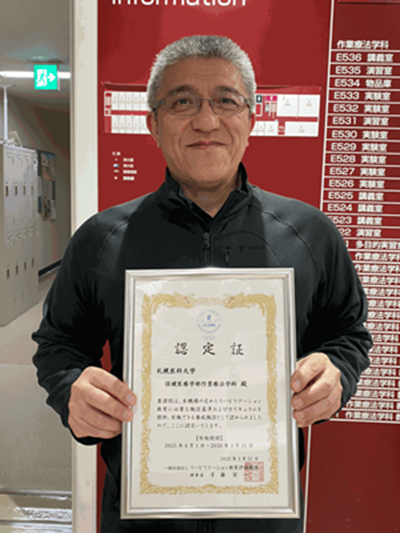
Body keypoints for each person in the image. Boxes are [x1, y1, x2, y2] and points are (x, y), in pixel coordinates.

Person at [33, 35, 371, 533]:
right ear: (153, 123)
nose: (207, 121)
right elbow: (58, 345)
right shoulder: (102, 239)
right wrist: (71, 391)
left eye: (226, 101)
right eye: (182, 102)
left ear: (251, 119)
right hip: (142, 516)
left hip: (263, 514)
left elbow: (349, 334)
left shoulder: (310, 234)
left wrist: (336, 372)